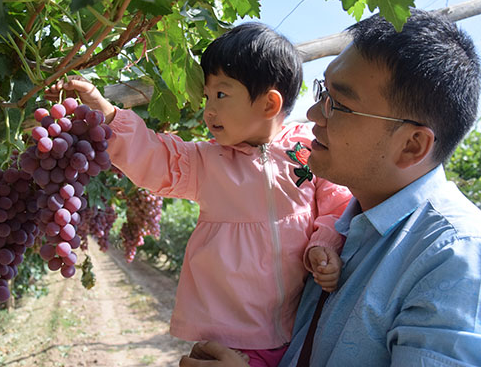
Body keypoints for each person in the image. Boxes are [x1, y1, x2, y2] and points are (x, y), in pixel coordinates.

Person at [178, 9, 481, 367]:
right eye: (323, 92)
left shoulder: (458, 262)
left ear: (412, 145)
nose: (315, 114)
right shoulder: (339, 228)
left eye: (340, 105)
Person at [46, 22, 352, 366]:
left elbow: (336, 198)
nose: (208, 109)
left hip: (300, 326)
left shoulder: (306, 149)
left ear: (269, 104)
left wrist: (324, 243)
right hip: (230, 339)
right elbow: (156, 158)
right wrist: (108, 113)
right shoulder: (207, 161)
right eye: (207, 96)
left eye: (220, 95)